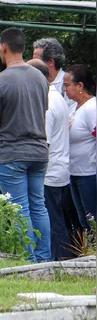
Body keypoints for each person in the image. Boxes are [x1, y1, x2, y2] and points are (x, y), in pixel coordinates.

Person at [0, 27, 50, 262]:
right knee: (39, 206)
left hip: (12, 152)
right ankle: (43, 259)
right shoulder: (40, 78)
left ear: (2, 47)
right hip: (39, 151)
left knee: (19, 208)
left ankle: (28, 260)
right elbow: (42, 114)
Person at [28, 59, 74, 260]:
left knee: (52, 221)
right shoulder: (58, 98)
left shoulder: (46, 102)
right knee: (57, 220)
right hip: (60, 169)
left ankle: (59, 263)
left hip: (48, 172)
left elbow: (43, 143)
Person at [64, 64, 97, 230]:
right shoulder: (73, 108)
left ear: (80, 86)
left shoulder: (92, 108)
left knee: (93, 219)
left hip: (89, 173)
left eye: (67, 85)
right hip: (74, 172)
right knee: (83, 220)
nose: (64, 89)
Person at [32, 38, 72, 107]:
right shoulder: (34, 82)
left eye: (36, 60)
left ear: (50, 62)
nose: (32, 64)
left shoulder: (68, 84)